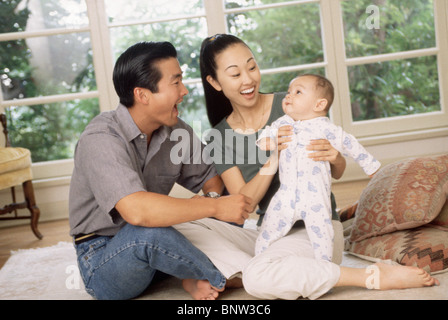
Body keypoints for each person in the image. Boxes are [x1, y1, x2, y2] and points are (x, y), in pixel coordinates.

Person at [173, 33, 439, 300]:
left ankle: (368, 276)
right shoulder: (219, 137)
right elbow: (245, 205)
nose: (248, 79)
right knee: (182, 226)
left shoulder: (292, 103)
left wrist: (335, 157)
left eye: (252, 67)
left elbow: (337, 169)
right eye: (235, 74)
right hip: (269, 230)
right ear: (214, 82)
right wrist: (273, 158)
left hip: (315, 229)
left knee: (257, 278)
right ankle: (267, 270)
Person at [68, 41, 253, 300]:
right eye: (175, 82)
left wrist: (213, 205)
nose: (185, 91)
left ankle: (192, 273)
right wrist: (215, 208)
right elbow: (138, 212)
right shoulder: (100, 138)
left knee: (192, 224)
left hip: (164, 240)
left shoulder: (176, 130)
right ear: (143, 95)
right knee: (149, 232)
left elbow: (211, 176)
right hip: (102, 255)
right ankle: (233, 275)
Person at [254, 74, 381, 260]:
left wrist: (372, 168)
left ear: (319, 105)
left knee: (322, 236)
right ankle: (259, 260)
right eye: (288, 92)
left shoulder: (327, 129)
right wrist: (267, 141)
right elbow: (266, 136)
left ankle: (325, 267)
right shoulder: (283, 123)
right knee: (268, 230)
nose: (288, 96)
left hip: (315, 197)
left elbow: (352, 145)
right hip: (286, 194)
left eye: (297, 92)